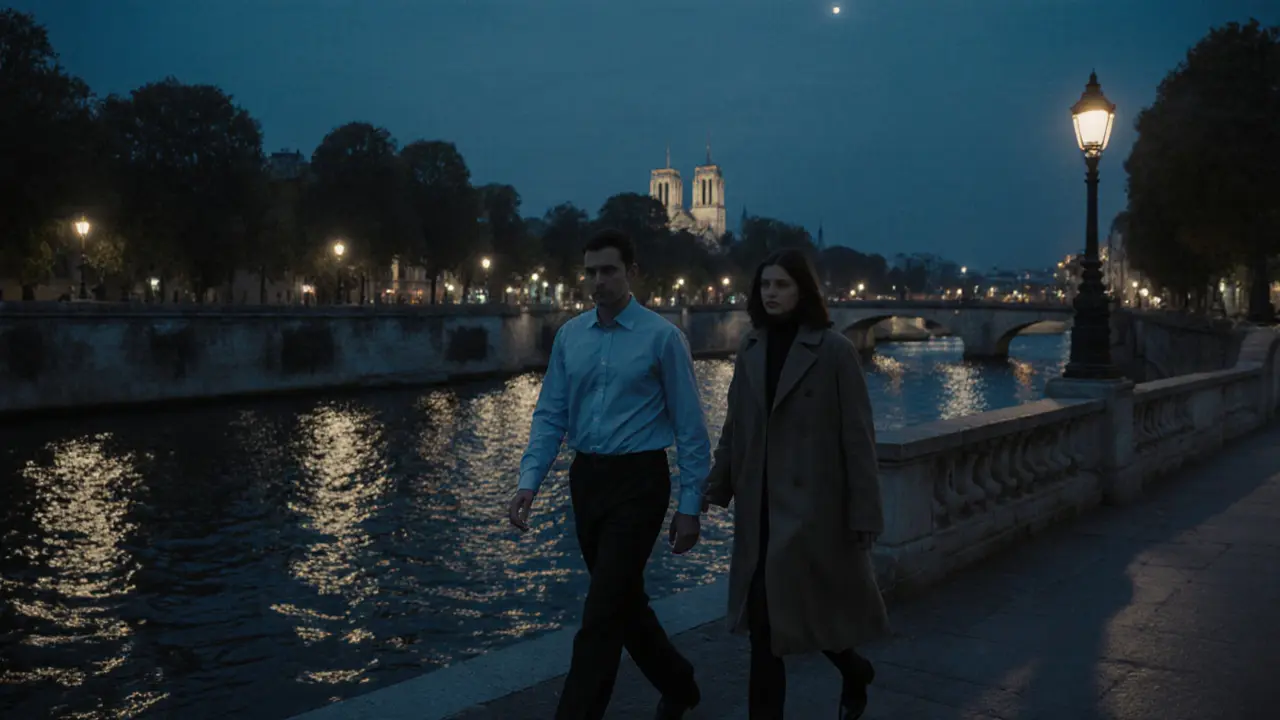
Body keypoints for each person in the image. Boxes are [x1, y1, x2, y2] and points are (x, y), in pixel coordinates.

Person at [507, 228, 711, 720]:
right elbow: (551, 414)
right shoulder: (570, 337)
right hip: (587, 482)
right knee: (622, 599)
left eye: (609, 270)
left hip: (640, 482)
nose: (598, 280)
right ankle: (679, 684)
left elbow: (691, 428)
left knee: (600, 614)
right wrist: (528, 481)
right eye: (591, 271)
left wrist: (689, 507)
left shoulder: (663, 338)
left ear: (632, 272)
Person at [702, 248, 890, 719]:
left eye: (781, 285)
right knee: (769, 628)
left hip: (811, 511)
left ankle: (852, 668)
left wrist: (864, 512)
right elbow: (735, 426)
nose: (770, 293)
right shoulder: (750, 349)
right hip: (761, 508)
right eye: (765, 285)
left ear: (802, 290)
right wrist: (716, 485)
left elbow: (858, 439)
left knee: (798, 617)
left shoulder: (835, 351)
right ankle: (851, 670)